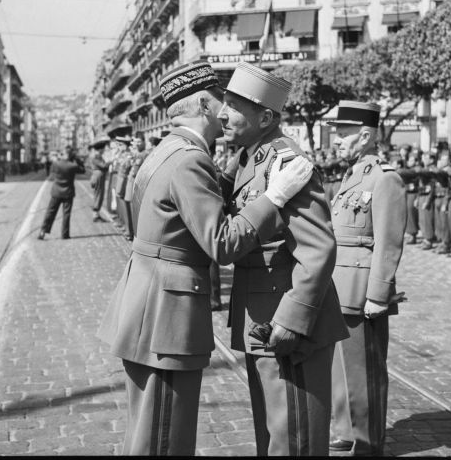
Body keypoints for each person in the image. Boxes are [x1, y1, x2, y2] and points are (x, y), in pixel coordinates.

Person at [97, 61, 313, 456]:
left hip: (146, 307)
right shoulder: (190, 160)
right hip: (165, 318)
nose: (227, 109)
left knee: (150, 432)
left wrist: (239, 167)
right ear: (202, 104)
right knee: (164, 438)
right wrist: (274, 196)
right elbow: (222, 244)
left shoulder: (170, 149)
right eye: (221, 100)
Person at [217, 62, 349, 456]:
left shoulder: (285, 162)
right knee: (274, 436)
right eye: (224, 102)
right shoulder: (247, 159)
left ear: (266, 117)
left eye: (235, 106)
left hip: (287, 324)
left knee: (295, 439)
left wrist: (292, 320)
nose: (223, 113)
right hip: (261, 319)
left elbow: (317, 248)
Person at [327, 101, 407, 457]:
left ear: (364, 135)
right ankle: (347, 428)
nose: (337, 138)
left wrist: (378, 294)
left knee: (364, 372)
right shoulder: (354, 173)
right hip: (338, 286)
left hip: (362, 291)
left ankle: (369, 440)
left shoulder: (384, 177)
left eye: (343, 133)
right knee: (341, 369)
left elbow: (389, 242)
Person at [38, 146, 86, 240]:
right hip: (68, 192)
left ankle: (43, 231)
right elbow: (83, 170)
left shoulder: (56, 164)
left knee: (50, 212)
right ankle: (65, 234)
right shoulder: (73, 166)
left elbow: (52, 171)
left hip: (56, 192)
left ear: (63, 154)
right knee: (66, 214)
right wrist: (77, 160)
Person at [123, 133, 149, 240]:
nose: (137, 144)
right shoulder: (135, 153)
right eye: (136, 142)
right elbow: (126, 167)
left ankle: (135, 234)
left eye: (139, 142)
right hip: (131, 183)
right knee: (128, 208)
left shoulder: (146, 154)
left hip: (138, 185)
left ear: (143, 141)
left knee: (137, 212)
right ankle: (130, 232)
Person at [433, 151, 451, 255]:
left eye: (444, 159)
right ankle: (441, 241)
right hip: (438, 197)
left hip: (445, 198)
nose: (441, 161)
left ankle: (446, 244)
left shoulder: (449, 171)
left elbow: (450, 188)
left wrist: (446, 202)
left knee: (445, 223)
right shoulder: (440, 170)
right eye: (440, 159)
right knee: (439, 223)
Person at [417, 152, 437, 250]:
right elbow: (420, 185)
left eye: (426, 157)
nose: (423, 159)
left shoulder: (432, 170)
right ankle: (425, 238)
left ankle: (429, 239)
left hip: (427, 196)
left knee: (427, 219)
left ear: (432, 160)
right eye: (423, 157)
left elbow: (433, 187)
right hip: (421, 195)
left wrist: (428, 200)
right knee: (422, 219)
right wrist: (417, 198)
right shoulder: (423, 169)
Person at [89, 136, 112, 222]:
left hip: (99, 176)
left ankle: (96, 213)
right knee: (98, 194)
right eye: (103, 149)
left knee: (99, 194)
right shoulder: (96, 157)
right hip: (98, 176)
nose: (104, 150)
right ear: (100, 149)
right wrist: (111, 161)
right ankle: (95, 214)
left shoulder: (98, 156)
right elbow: (103, 165)